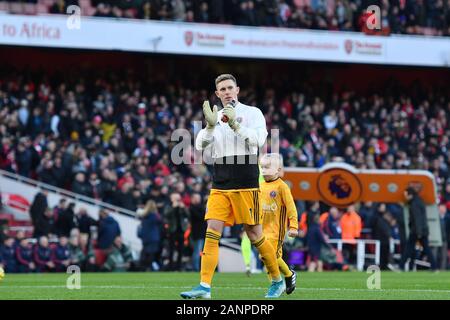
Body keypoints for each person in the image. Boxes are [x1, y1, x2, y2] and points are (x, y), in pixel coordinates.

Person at [181, 74, 284, 299]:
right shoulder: (214, 117)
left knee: (255, 234)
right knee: (212, 231)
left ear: (237, 89)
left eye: (230, 87)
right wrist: (209, 126)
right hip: (220, 181)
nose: (227, 92)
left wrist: (236, 124)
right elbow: (199, 145)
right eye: (222, 89)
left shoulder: (252, 113)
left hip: (245, 179)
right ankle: (204, 287)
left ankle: (277, 280)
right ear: (217, 94)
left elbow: (258, 141)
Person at [259, 153, 298, 294]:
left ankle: (282, 281)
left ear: (277, 169)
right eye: (262, 167)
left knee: (269, 256)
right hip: (261, 230)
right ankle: (286, 276)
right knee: (268, 258)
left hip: (276, 230)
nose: (264, 170)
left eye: (267, 167)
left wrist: (293, 226)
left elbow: (291, 207)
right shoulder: (261, 186)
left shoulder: (282, 187)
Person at [400, 187, 437, 271]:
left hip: (416, 231)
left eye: (406, 195)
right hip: (421, 230)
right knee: (426, 249)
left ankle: (401, 266)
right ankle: (434, 267)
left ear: (410, 195)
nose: (405, 197)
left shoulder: (414, 204)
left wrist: (419, 232)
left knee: (408, 249)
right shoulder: (418, 201)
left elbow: (417, 219)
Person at [163, 193, 190, 271]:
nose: (177, 200)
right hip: (172, 231)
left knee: (180, 249)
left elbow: (188, 215)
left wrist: (184, 208)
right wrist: (173, 207)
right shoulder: (169, 206)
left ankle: (179, 267)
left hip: (181, 230)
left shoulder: (182, 206)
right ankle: (171, 267)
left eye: (178, 198)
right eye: (175, 198)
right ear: (172, 199)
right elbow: (166, 215)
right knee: (171, 249)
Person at [137, 199, 162, 271]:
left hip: (145, 237)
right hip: (153, 237)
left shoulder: (144, 216)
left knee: (144, 253)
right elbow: (160, 221)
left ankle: (142, 267)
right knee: (151, 254)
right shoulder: (155, 216)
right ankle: (149, 267)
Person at [189, 193, 207, 272]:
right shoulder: (192, 208)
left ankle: (200, 266)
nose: (198, 199)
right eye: (196, 198)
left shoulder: (199, 207)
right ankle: (195, 267)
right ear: (192, 199)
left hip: (202, 233)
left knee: (201, 251)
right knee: (197, 251)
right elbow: (200, 216)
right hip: (197, 233)